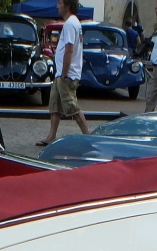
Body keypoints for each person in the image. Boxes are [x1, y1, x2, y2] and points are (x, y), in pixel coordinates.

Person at [37, 0, 88, 146]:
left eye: (60, 3)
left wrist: (65, 73)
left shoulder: (70, 24)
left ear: (67, 5)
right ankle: (51, 136)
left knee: (72, 106)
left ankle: (88, 137)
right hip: (61, 74)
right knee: (55, 105)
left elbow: (69, 50)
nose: (57, 6)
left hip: (66, 75)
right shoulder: (73, 23)